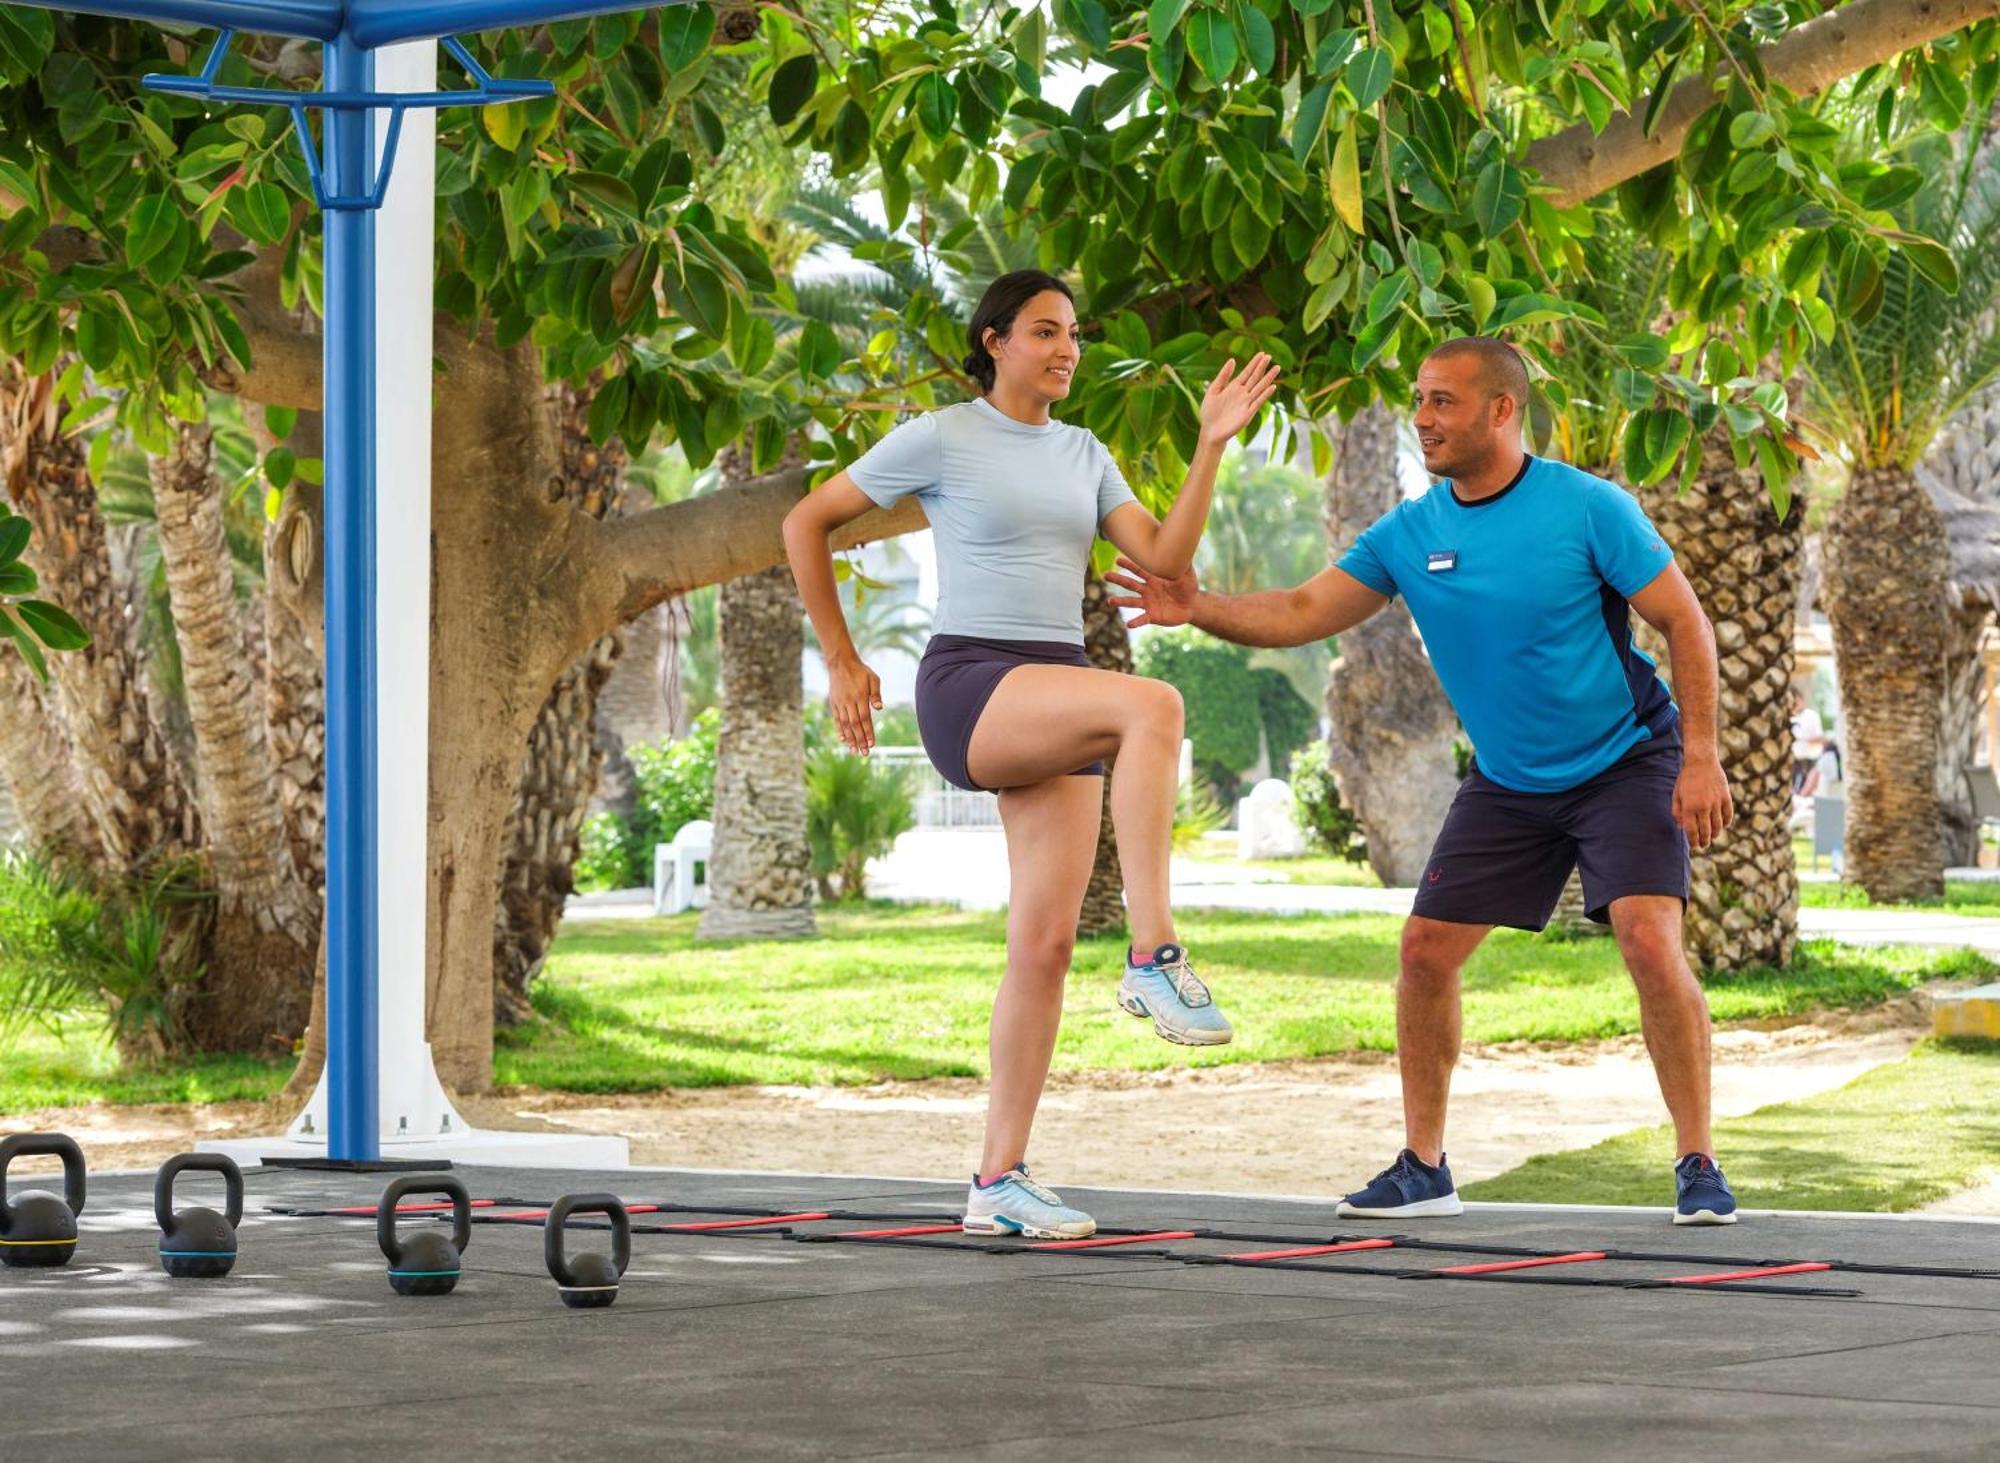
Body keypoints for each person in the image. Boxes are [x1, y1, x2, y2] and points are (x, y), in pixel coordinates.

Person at [1107, 336, 1743, 1226]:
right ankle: (1425, 1165)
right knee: (1424, 952)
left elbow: (1685, 620)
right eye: (1419, 399)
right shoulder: (1412, 531)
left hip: (1624, 757)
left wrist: (1703, 753)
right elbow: (1300, 610)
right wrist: (1194, 606)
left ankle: (1699, 1161)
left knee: (1646, 937)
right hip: (1511, 779)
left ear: (1502, 411)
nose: (1423, 417)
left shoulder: (1589, 507)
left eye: (1444, 401)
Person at [783, 270, 1279, 1239]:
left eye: (1074, 335)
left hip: (1053, 685)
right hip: (972, 682)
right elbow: (807, 519)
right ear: (993, 339)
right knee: (1154, 704)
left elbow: (1164, 560)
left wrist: (1208, 446)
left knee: (1044, 943)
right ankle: (1152, 954)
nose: (1064, 348)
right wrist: (840, 659)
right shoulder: (941, 435)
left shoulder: (1083, 452)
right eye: (1043, 331)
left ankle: (995, 1179)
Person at [1791, 686, 1825, 794]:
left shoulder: (1812, 716)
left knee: (1806, 793)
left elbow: (1819, 738)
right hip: (1794, 763)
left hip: (1810, 761)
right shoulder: (1789, 718)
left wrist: (1801, 740)